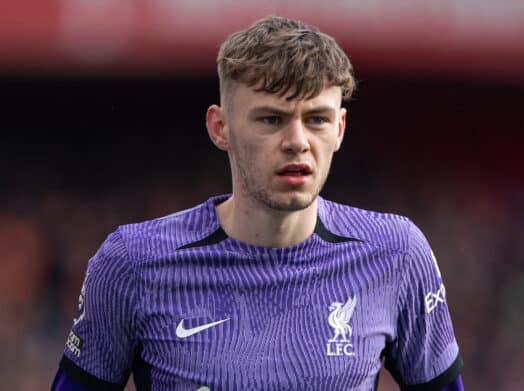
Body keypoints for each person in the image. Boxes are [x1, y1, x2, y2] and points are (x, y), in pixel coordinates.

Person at [51, 15, 464, 391]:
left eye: (317, 119)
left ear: (339, 129)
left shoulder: (397, 253)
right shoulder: (133, 262)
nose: (298, 141)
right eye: (271, 119)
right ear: (220, 127)